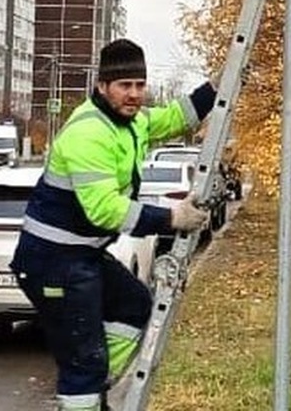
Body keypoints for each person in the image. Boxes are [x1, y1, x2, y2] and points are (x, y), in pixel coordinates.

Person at [11, 39, 216, 411]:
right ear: (103, 86)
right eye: (125, 86)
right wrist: (171, 217)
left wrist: (215, 89)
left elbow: (173, 117)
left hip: (81, 255)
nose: (134, 94)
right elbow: (104, 210)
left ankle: (93, 385)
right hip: (53, 262)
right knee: (82, 364)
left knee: (136, 308)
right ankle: (86, 389)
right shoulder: (88, 133)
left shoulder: (131, 121)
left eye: (140, 85)